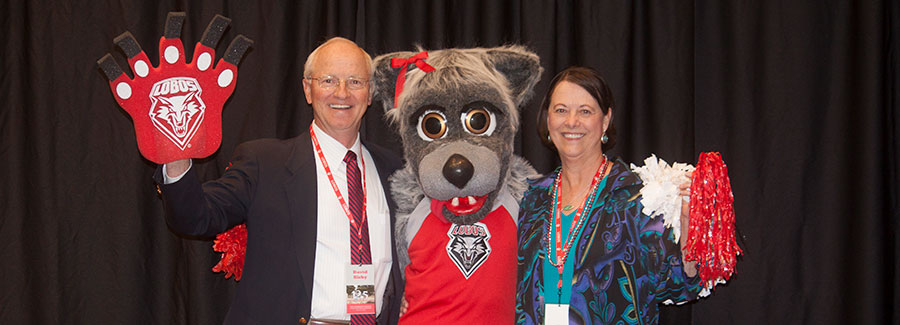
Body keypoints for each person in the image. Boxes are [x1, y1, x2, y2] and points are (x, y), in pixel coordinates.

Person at [155, 37, 403, 325]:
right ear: (308, 89)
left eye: (355, 82)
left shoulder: (394, 170)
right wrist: (176, 155)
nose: (342, 93)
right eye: (328, 81)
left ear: (370, 93)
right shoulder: (265, 163)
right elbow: (194, 218)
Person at [516, 66, 700, 324]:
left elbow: (681, 285)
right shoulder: (531, 199)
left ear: (605, 120)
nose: (571, 121)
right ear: (548, 120)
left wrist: (690, 229)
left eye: (585, 111)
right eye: (560, 110)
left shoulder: (638, 199)